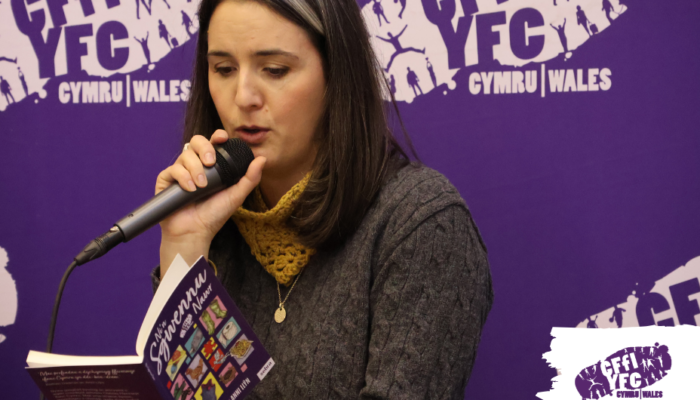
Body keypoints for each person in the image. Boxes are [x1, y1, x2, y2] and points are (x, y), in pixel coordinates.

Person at [153, 0, 493, 398]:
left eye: (274, 69)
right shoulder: (212, 224)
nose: (243, 97)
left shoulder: (419, 221)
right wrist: (185, 246)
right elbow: (202, 394)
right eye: (224, 69)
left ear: (337, 74)